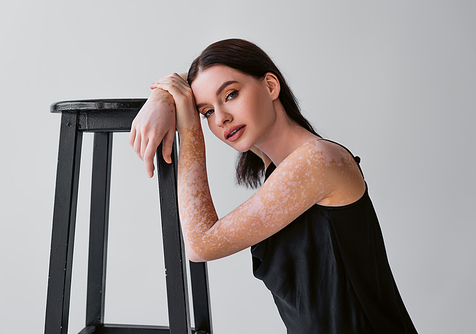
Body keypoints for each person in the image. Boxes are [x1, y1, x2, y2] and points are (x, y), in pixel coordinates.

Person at [129, 39, 417, 333]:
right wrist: (163, 97)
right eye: (207, 112)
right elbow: (188, 84)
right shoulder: (277, 162)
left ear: (270, 86)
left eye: (231, 94)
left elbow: (201, 245)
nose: (221, 118)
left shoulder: (318, 161)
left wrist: (189, 126)